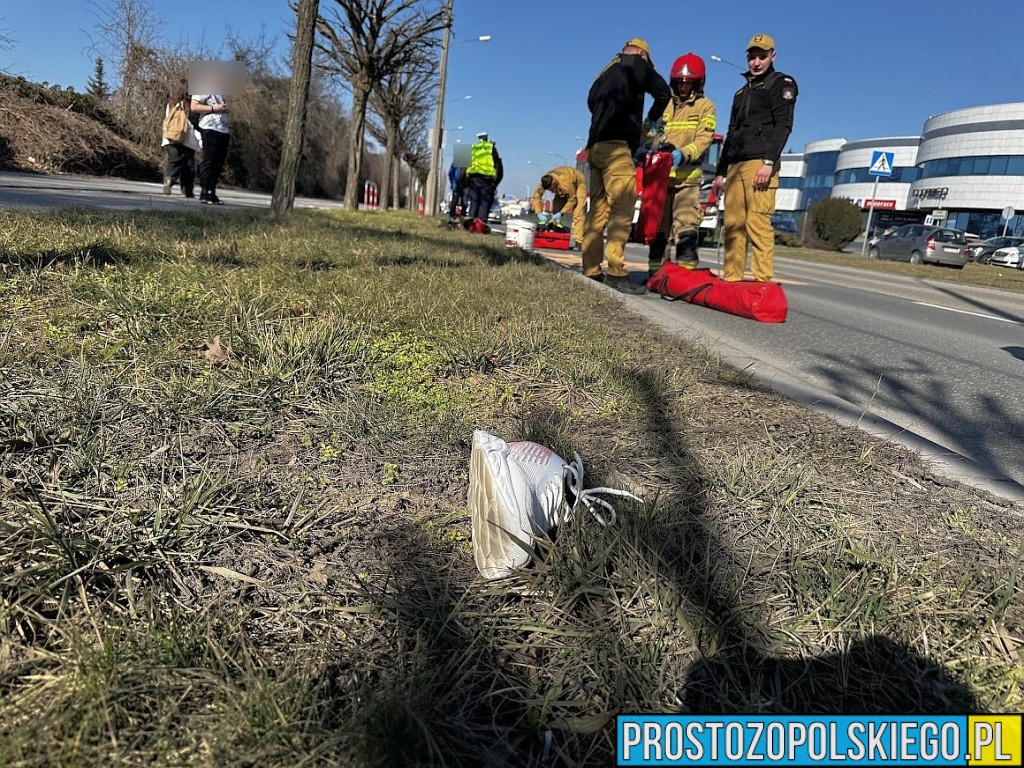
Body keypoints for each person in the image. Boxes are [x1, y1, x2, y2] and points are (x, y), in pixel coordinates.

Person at [582, 38, 671, 294]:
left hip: (595, 146)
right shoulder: (637, 65)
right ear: (642, 54)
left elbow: (590, 102)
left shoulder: (605, 71)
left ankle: (591, 269)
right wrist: (650, 120)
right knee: (621, 208)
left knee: (597, 210)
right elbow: (664, 93)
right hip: (617, 147)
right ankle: (617, 273)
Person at [711, 33, 797, 282]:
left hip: (760, 163)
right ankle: (732, 279)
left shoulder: (781, 83)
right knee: (734, 225)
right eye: (752, 57)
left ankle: (762, 283)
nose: (756, 62)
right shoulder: (741, 93)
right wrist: (720, 172)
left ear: (773, 56)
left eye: (762, 56)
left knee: (757, 224)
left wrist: (768, 162)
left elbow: (783, 125)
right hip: (736, 166)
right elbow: (731, 133)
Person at [647, 53, 717, 275]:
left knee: (686, 226)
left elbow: (704, 139)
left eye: (688, 82)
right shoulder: (663, 104)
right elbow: (647, 130)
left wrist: (683, 154)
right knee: (659, 228)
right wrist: (646, 147)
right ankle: (655, 274)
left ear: (698, 83)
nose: (684, 87)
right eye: (680, 82)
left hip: (688, 178)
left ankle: (685, 276)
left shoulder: (705, 107)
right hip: (661, 178)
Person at [531, 166, 587, 250]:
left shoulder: (566, 183)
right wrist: (538, 212)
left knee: (578, 212)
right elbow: (536, 196)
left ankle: (578, 242)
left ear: (554, 183)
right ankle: (553, 233)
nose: (552, 192)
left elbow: (572, 200)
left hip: (578, 183)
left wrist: (561, 212)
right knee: (555, 209)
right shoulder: (544, 182)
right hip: (562, 185)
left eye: (552, 189)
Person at [191, 92, 231, 205]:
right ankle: (204, 191)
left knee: (219, 162)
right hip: (209, 127)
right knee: (210, 160)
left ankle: (212, 191)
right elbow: (194, 107)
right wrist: (214, 108)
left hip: (223, 129)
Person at [161, 82, 199, 199]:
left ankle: (169, 180)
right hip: (187, 140)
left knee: (174, 162)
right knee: (188, 166)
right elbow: (192, 125)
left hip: (170, 138)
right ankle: (187, 190)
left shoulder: (171, 104)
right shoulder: (191, 106)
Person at [464, 131, 503, 227]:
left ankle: (471, 222)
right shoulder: (491, 147)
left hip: (473, 177)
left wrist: (465, 180)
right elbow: (497, 165)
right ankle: (481, 223)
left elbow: (463, 166)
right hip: (486, 178)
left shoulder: (472, 147)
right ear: (486, 138)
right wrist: (495, 181)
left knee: (474, 200)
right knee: (484, 201)